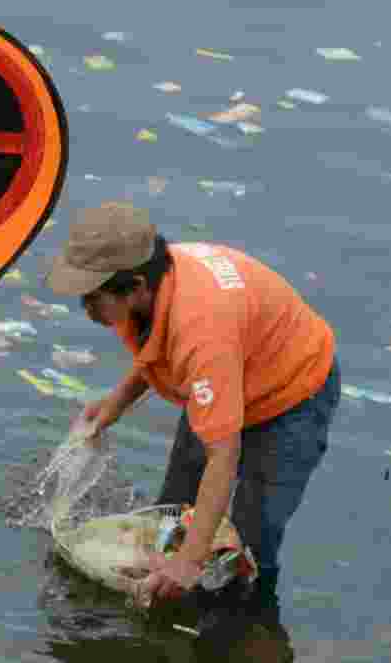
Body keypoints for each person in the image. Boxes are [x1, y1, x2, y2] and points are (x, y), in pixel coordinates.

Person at [45, 201, 340, 634]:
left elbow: (223, 456)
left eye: (92, 297)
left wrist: (190, 561)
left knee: (244, 550)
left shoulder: (202, 331)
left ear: (135, 287)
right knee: (172, 519)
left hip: (290, 399)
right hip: (229, 378)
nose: (85, 308)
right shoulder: (154, 283)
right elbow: (157, 349)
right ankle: (168, 622)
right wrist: (115, 404)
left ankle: (243, 638)